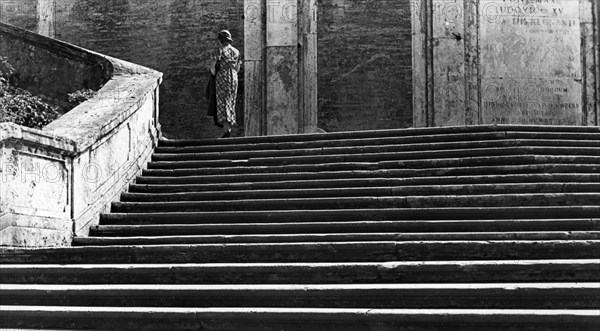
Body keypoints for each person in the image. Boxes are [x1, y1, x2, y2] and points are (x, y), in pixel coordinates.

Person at [209, 30, 241, 138]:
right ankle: (229, 128)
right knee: (231, 101)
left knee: (222, 102)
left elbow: (213, 69)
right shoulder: (236, 52)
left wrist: (215, 73)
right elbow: (237, 68)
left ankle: (226, 130)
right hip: (233, 77)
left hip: (222, 76)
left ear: (220, 40)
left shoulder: (219, 51)